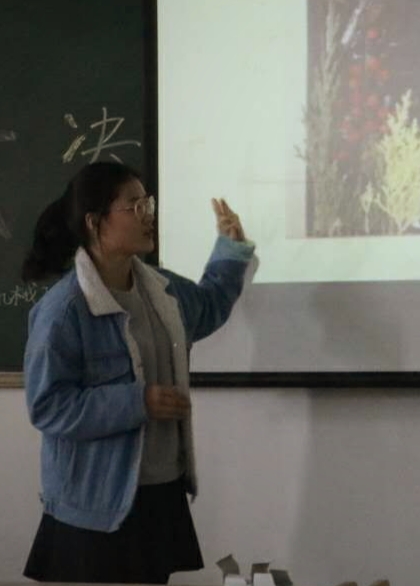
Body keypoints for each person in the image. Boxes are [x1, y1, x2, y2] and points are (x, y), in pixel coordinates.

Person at [19, 160, 255, 584]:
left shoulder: (160, 289)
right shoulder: (64, 310)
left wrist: (230, 249)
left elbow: (208, 306)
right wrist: (138, 401)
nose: (149, 216)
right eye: (135, 206)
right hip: (94, 505)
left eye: (149, 204)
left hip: (158, 494)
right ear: (95, 222)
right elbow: (48, 406)